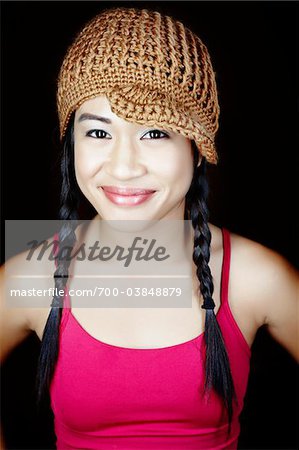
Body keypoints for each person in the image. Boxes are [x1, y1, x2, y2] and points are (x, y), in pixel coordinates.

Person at [0, 6, 298, 450]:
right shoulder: (31, 277)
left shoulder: (258, 278)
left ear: (198, 148)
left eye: (155, 132)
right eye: (98, 133)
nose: (123, 167)